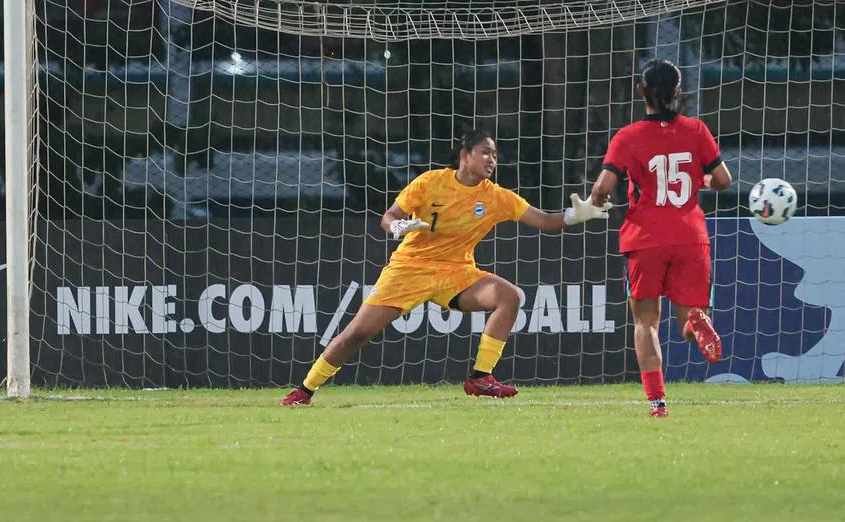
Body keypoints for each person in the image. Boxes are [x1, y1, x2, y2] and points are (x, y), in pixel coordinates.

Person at [282, 129, 610, 406]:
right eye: (485, 153)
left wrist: (576, 215)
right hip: (409, 269)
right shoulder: (430, 182)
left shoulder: (496, 197)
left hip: (456, 274)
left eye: (495, 155)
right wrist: (397, 228)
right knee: (357, 334)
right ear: (465, 156)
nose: (492, 161)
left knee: (509, 297)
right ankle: (305, 390)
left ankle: (481, 377)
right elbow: (389, 216)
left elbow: (543, 220)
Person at [588, 59, 733, 418]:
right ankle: (697, 322)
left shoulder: (628, 136)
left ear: (641, 91)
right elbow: (724, 179)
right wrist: (701, 181)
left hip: (646, 237)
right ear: (678, 92)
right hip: (690, 235)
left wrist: (597, 201)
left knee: (646, 323)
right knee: (688, 322)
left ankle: (658, 404)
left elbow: (603, 187)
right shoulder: (697, 131)